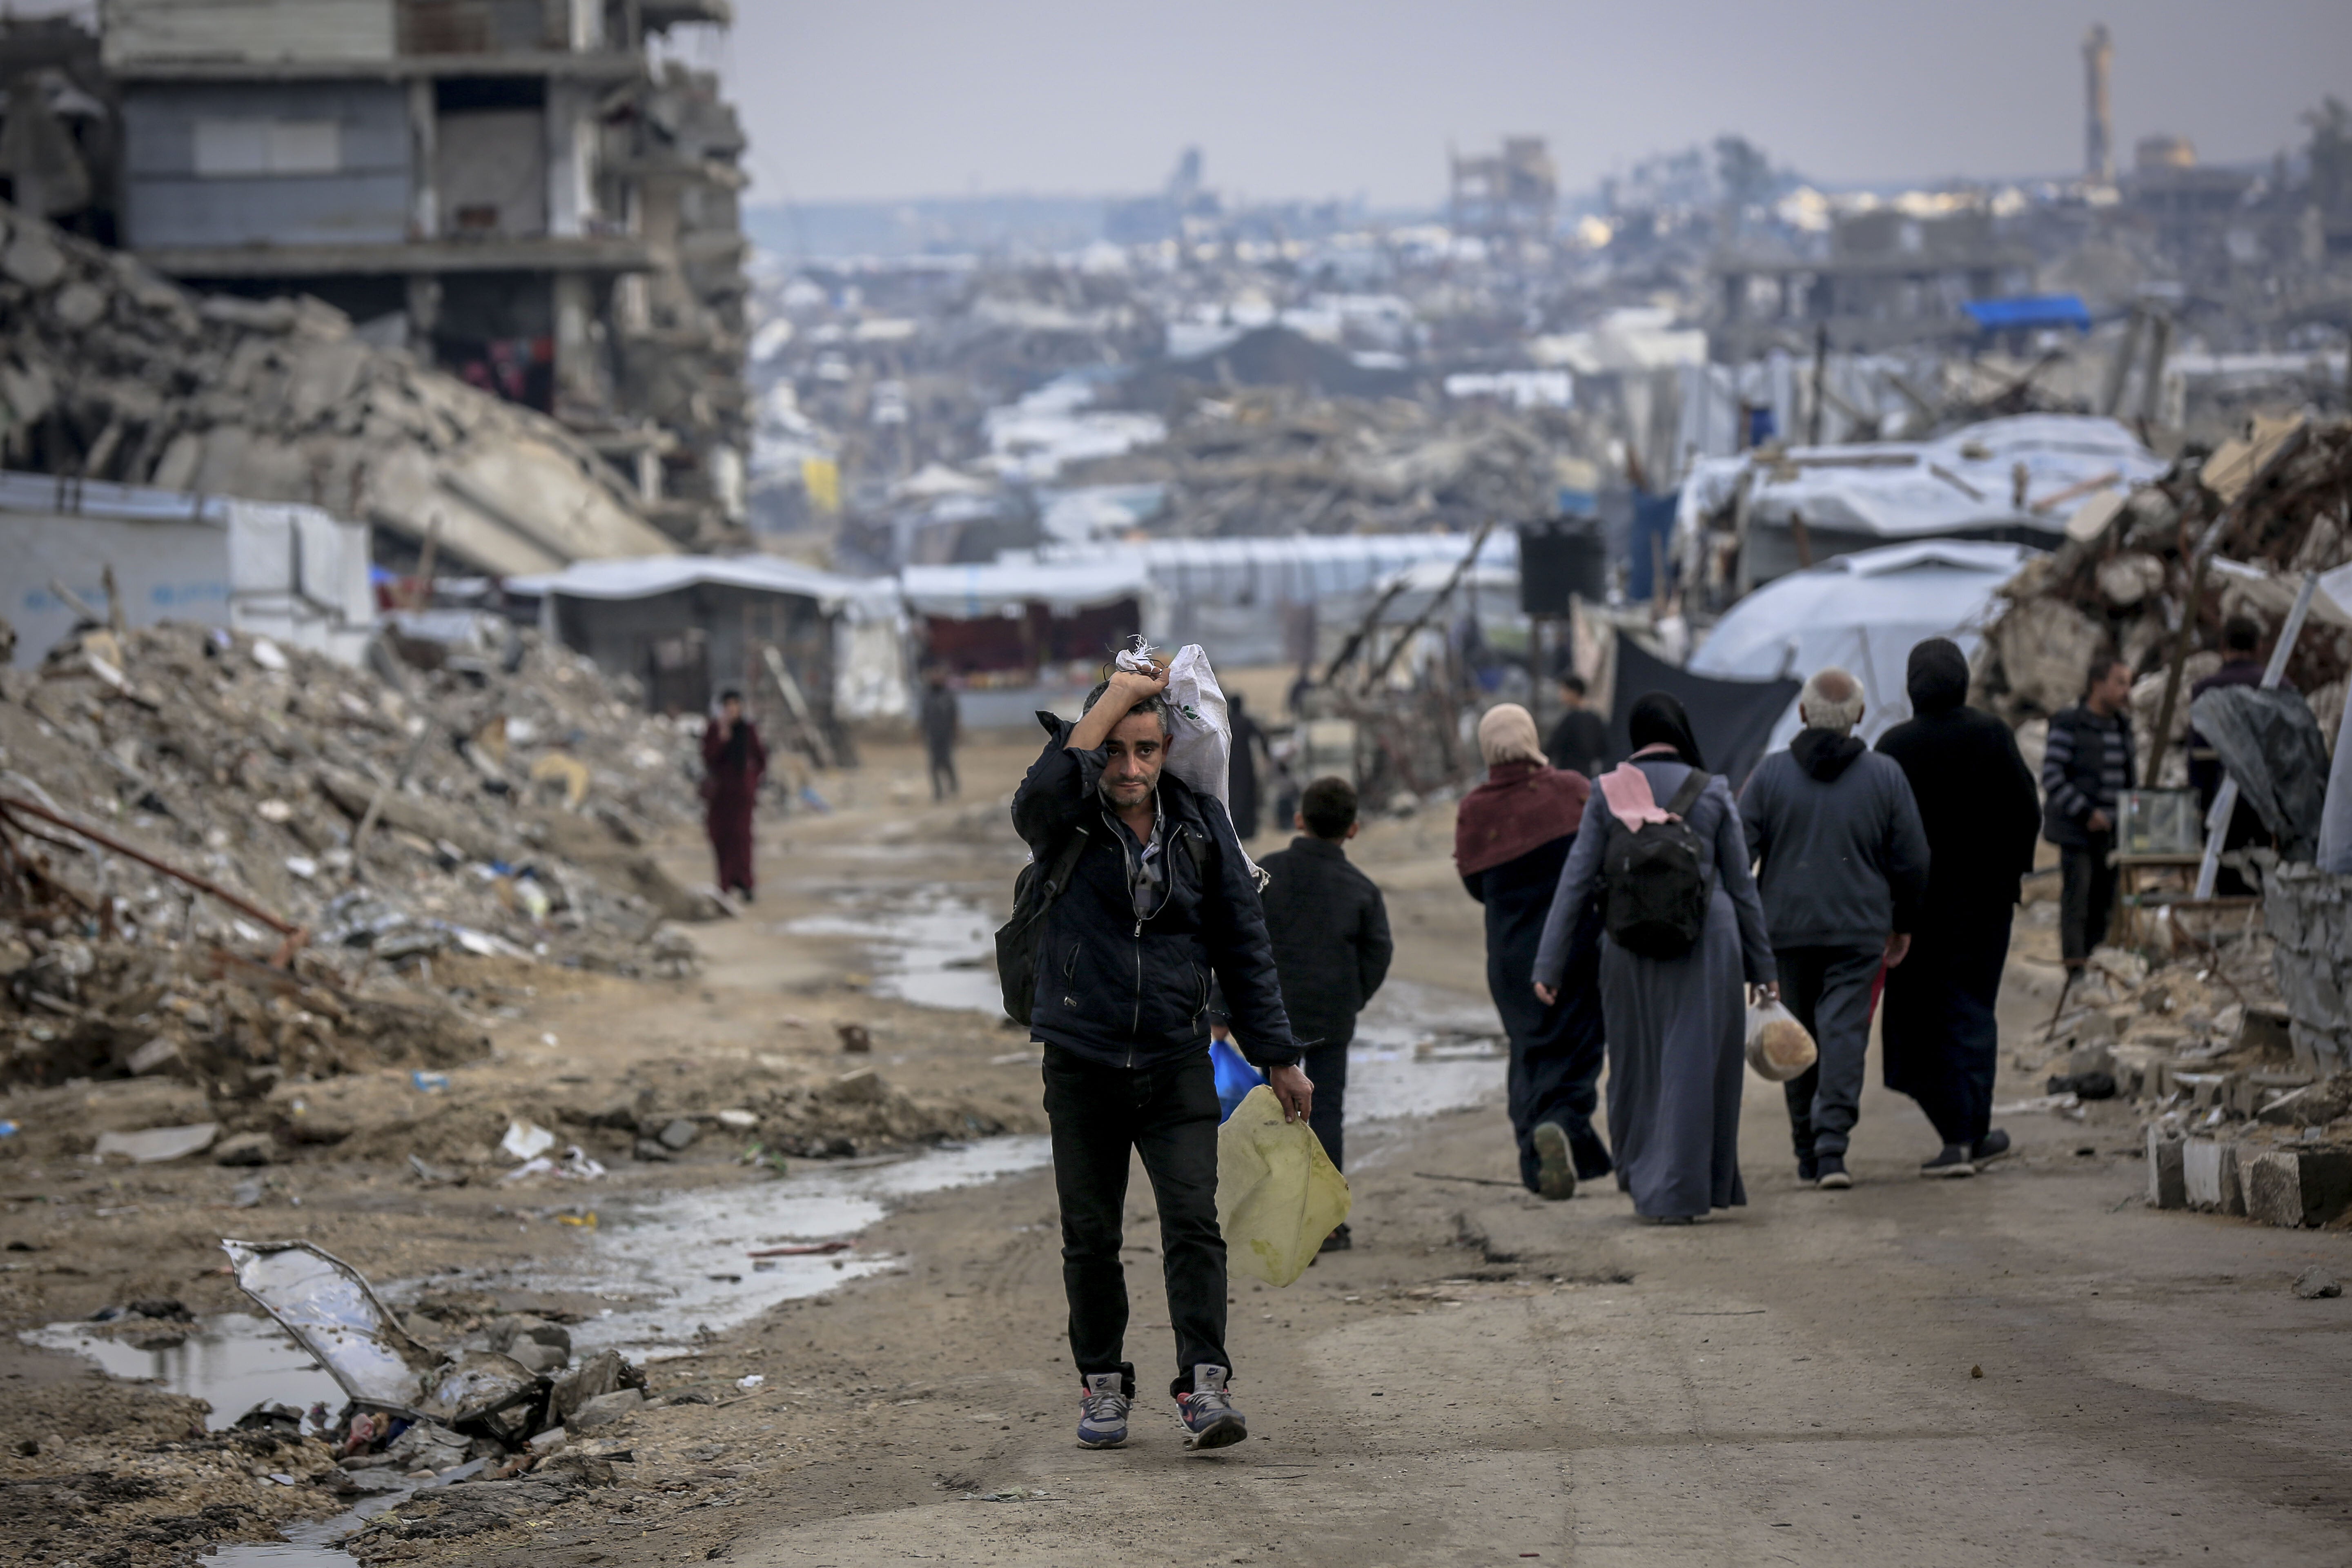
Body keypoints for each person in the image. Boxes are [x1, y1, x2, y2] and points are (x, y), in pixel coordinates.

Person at [1011, 663, 1310, 1454]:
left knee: (1192, 1226)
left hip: (1176, 1061)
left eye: (1146, 751)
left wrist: (1279, 1056)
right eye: (1114, 750)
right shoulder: (1065, 820)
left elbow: (1245, 948)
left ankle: (1205, 1383)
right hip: (1082, 1063)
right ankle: (1103, 1386)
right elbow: (1034, 797)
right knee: (1091, 1237)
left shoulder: (1202, 826)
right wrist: (1110, 697)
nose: (1131, 769)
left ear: (1168, 750)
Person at [1531, 693, 1775, 1223]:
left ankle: (1646, 1178)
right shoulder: (1712, 791)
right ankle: (1684, 1191)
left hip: (1627, 943)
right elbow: (1742, 886)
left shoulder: (1604, 793)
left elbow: (1575, 882)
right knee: (1693, 1064)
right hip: (1708, 943)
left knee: (1638, 1065)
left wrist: (1549, 965)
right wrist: (1764, 972)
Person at [1739, 668, 1930, 1190]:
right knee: (1844, 1035)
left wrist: (1746, 927)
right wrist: (1903, 923)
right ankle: (1831, 1150)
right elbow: (1913, 859)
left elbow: (1737, 857)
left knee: (1792, 1035)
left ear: (1801, 714)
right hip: (1860, 932)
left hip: (1784, 933)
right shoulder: (1886, 776)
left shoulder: (1770, 776)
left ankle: (1806, 1146)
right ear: (1861, 717)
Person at [1876, 639, 2041, 1178]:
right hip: (1985, 908)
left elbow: (1882, 831)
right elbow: (2025, 810)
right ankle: (1972, 1132)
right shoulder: (1992, 734)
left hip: (1917, 912)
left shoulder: (1894, 746)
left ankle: (1957, 1137)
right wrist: (2009, 874)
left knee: (1920, 1018)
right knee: (1972, 1013)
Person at [1456, 703, 1612, 1199]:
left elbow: (1476, 885)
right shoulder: (1573, 792)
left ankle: (1534, 1156)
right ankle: (1562, 1124)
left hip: (1509, 955)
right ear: (1531, 737)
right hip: (1573, 948)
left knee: (1528, 1050)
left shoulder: (1476, 810)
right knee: (1580, 1047)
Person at [1252, 775, 1392, 1250]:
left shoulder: (1266, 873)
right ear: (1353, 830)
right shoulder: (1361, 889)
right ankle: (1326, 1221)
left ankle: (1275, 1216)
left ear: (1298, 820)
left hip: (1269, 1016)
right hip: (1332, 1015)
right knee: (1326, 1109)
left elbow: (1239, 943)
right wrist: (1352, 998)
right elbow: (1378, 954)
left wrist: (1228, 1007)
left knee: (1272, 1111)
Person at [2044, 655, 2136, 976]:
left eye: (2129, 683)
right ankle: (2076, 974)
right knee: (2077, 903)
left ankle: (2096, 964)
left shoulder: (2123, 727)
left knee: (2104, 905)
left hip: (2111, 833)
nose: (2127, 691)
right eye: (2120, 682)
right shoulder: (2070, 723)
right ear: (2098, 684)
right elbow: (2053, 776)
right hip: (2077, 832)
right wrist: (2086, 813)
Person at [2187, 616, 2280, 895]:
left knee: (2227, 872)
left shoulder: (2207, 689)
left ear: (2223, 646)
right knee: (2269, 874)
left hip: (2222, 797)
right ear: (2259, 647)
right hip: (2268, 799)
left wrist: (2200, 801)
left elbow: (2199, 751)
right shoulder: (2277, 686)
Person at [699, 689, 766, 901]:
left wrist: (752, 781)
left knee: (742, 838)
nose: (732, 710)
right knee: (722, 838)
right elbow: (709, 758)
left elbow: (761, 758)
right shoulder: (715, 730)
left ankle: (745, 883)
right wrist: (722, 737)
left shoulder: (747, 730)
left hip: (742, 795)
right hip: (721, 796)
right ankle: (726, 883)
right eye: (728, 706)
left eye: (735, 705)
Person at [1544, 674, 1610, 778]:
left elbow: (1553, 746)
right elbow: (1603, 749)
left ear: (1574, 692)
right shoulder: (1596, 718)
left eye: (1564, 690)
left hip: (1567, 775)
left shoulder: (1571, 719)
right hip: (1588, 775)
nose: (1560, 695)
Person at [1227, 691, 1267, 840]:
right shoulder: (1247, 721)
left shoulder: (1228, 721)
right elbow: (1262, 738)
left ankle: (1234, 828)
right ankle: (1248, 830)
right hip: (1246, 765)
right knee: (1248, 796)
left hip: (1230, 765)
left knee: (1233, 796)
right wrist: (1267, 755)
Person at [921, 671, 961, 802]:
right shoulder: (928, 697)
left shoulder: (948, 696)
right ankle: (938, 791)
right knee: (934, 765)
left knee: (947, 762)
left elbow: (955, 716)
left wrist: (956, 734)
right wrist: (921, 733)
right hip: (933, 736)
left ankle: (953, 785)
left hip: (946, 736)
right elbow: (924, 717)